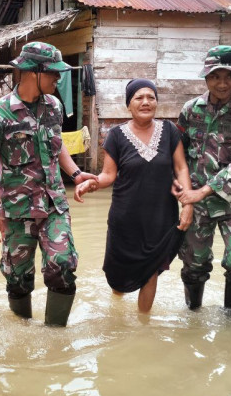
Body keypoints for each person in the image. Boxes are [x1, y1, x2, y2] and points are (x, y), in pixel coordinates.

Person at [0, 41, 98, 327]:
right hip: (17, 209)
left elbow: (57, 146)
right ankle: (21, 336)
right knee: (17, 278)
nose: (58, 78)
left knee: (64, 264)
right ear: (33, 72)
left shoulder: (54, 106)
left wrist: (76, 174)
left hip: (54, 204)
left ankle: (55, 336)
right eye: (54, 73)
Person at [74, 78, 193, 313]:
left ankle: (143, 327)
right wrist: (92, 183)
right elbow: (109, 175)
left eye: (151, 97)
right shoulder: (116, 136)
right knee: (117, 276)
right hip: (125, 218)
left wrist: (187, 203)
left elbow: (181, 168)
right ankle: (116, 308)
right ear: (129, 104)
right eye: (139, 97)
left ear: (157, 102)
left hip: (160, 218)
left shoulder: (169, 131)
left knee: (151, 271)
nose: (146, 102)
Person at [174, 45, 231, 313]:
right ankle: (193, 314)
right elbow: (177, 155)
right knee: (194, 264)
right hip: (196, 203)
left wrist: (202, 192)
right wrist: (185, 195)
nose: (222, 83)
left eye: (229, 76)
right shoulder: (190, 110)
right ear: (206, 78)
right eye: (215, 76)